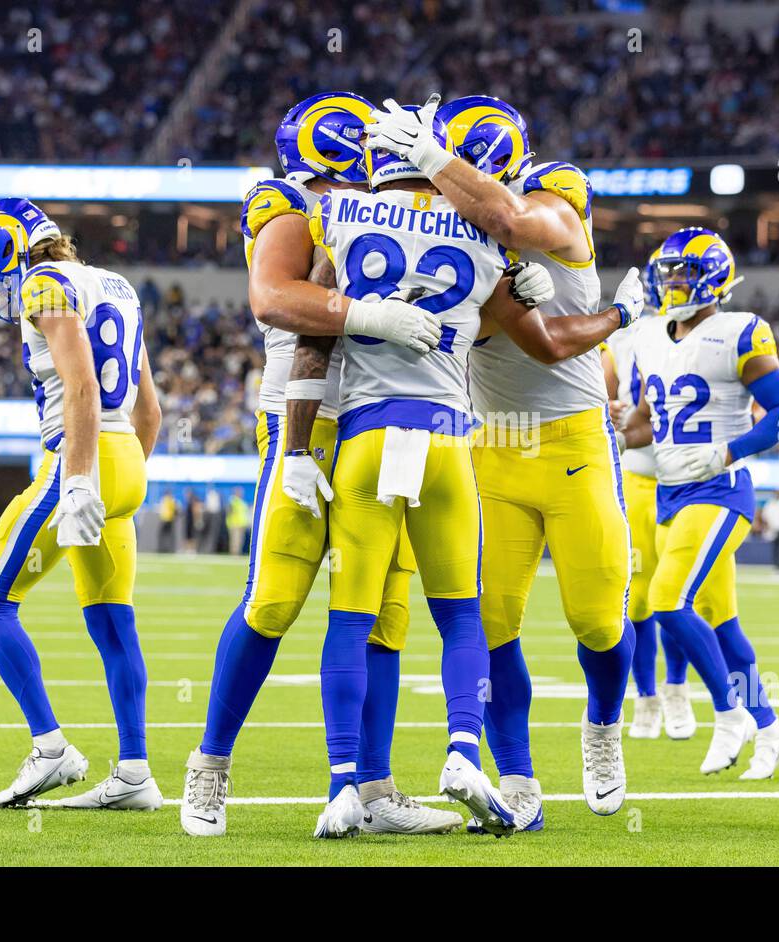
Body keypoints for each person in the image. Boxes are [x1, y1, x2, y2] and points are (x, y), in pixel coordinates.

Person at [283, 103, 643, 836]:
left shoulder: (545, 200)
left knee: (598, 620)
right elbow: (503, 318)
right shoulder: (472, 231)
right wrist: (553, 301)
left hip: (569, 445)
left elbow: (512, 224)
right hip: (480, 444)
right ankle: (512, 775)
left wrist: (616, 316)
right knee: (489, 621)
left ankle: (601, 725)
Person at [180, 93, 458, 838]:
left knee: (386, 613)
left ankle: (374, 789)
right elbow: (273, 298)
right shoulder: (284, 200)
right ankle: (209, 765)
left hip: (384, 420)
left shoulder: (390, 208)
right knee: (273, 599)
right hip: (303, 419)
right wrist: (370, 315)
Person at [0, 197, 164, 809]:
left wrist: (78, 481)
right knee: (112, 622)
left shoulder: (44, 285)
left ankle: (51, 749)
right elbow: (149, 410)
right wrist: (122, 480)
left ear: (7, 251)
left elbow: (78, 386)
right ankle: (134, 773)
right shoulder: (116, 284)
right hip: (126, 455)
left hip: (84, 458)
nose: (2, 295)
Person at [622, 226, 779, 780]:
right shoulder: (651, 336)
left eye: (684, 273)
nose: (673, 282)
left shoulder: (741, 331)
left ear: (714, 279)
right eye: (668, 272)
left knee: (666, 599)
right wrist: (614, 428)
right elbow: (649, 421)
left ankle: (729, 713)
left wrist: (729, 451)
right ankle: (771, 729)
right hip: (669, 492)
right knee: (721, 621)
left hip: (720, 489)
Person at [604, 283, 696, 742]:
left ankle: (677, 688)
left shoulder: (711, 335)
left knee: (676, 593)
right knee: (638, 596)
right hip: (638, 472)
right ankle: (646, 696)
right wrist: (610, 407)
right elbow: (599, 389)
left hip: (688, 477)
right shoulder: (625, 335)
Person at [225, 487, 250, 556]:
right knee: (235, 540)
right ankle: (234, 554)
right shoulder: (232, 501)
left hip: (241, 524)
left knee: (240, 540)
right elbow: (229, 512)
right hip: (235, 524)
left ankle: (237, 553)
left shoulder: (241, 502)